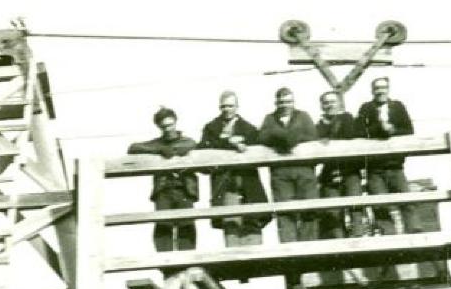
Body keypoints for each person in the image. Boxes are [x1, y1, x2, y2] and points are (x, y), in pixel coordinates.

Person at [199, 90, 269, 246]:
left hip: (248, 185)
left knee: (253, 227)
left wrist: (244, 145)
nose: (227, 109)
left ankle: (255, 266)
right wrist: (229, 143)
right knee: (231, 228)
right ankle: (235, 267)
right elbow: (203, 150)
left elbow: (259, 148)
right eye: (223, 106)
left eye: (230, 106)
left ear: (237, 107)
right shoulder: (211, 128)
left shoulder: (249, 129)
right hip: (225, 187)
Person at [127, 107, 198, 251]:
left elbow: (191, 145)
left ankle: (188, 264)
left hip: (184, 190)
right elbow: (133, 148)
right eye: (164, 126)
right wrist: (159, 150)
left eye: (170, 125)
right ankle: (167, 268)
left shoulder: (187, 141)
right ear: (159, 127)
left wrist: (173, 151)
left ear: (176, 122)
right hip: (164, 190)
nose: (168, 129)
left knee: (186, 227)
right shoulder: (157, 144)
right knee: (163, 227)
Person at [355, 75, 414, 234]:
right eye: (377, 88)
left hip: (395, 165)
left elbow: (409, 131)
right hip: (375, 167)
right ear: (372, 91)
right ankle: (388, 234)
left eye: (383, 87)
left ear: (388, 89)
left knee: (406, 201)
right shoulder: (366, 108)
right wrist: (379, 129)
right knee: (380, 204)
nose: (380, 91)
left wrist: (393, 130)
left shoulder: (398, 106)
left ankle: (415, 232)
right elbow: (359, 132)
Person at [258, 87, 318, 242]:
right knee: (285, 213)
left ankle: (310, 253)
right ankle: (290, 257)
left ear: (293, 102)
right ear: (276, 103)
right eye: (281, 102)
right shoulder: (269, 118)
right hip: (281, 173)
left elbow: (312, 135)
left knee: (309, 211)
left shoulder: (303, 116)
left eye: (288, 101)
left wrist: (284, 138)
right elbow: (263, 137)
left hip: (304, 171)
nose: (285, 105)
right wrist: (284, 136)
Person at [316, 90, 364, 240]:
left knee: (355, 207)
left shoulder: (347, 118)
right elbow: (318, 144)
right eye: (326, 102)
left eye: (332, 101)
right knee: (333, 212)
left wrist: (329, 129)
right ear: (322, 106)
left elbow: (348, 135)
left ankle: (358, 241)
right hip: (330, 174)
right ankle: (340, 244)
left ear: (339, 103)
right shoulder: (318, 125)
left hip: (349, 171)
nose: (329, 105)